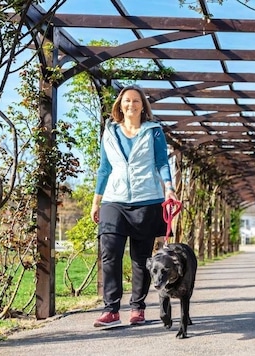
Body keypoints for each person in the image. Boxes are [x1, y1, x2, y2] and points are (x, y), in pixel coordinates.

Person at [90, 85, 178, 327]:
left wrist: (168, 188)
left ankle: (138, 308)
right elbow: (104, 169)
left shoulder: (154, 132)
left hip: (146, 198)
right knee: (110, 254)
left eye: (136, 101)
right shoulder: (109, 132)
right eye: (127, 100)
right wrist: (96, 201)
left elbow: (162, 162)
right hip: (113, 200)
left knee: (140, 258)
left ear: (143, 105)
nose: (131, 104)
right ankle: (111, 310)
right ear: (120, 104)